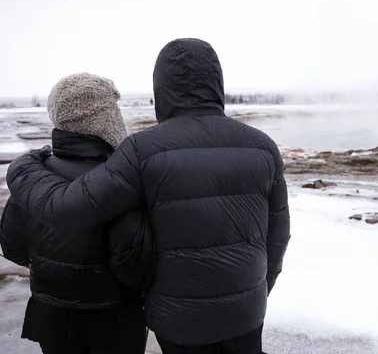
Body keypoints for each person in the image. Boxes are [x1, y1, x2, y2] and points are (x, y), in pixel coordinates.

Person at [7, 38, 291, 354]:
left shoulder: (143, 150)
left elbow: (66, 209)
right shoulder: (262, 146)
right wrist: (260, 290)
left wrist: (23, 167)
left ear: (161, 89)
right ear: (217, 83)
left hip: (178, 319)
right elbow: (277, 235)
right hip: (246, 310)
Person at [0, 73, 154, 354]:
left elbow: (12, 247)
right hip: (114, 322)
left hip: (51, 316)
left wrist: (52, 273)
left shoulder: (33, 178)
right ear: (105, 120)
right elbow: (134, 269)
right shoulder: (120, 182)